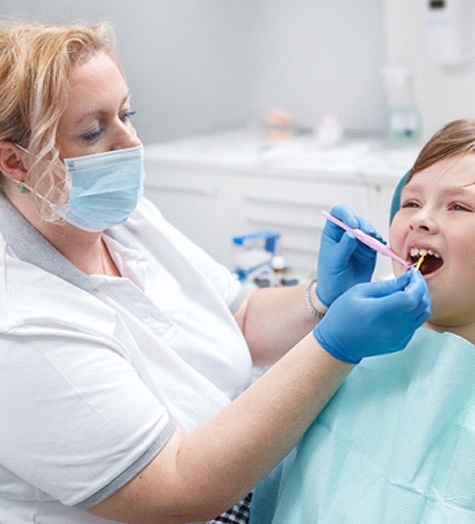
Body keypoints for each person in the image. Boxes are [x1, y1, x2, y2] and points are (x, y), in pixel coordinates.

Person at [0, 20, 430, 524]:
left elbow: (240, 319)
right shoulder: (20, 326)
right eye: (94, 131)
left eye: (126, 114)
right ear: (16, 162)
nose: (130, 142)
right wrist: (334, 347)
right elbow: (177, 491)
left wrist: (320, 299)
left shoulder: (120, 220)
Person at [249, 118, 475, 523]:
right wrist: (323, 318)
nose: (420, 220)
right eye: (410, 202)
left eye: (458, 206)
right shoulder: (350, 338)